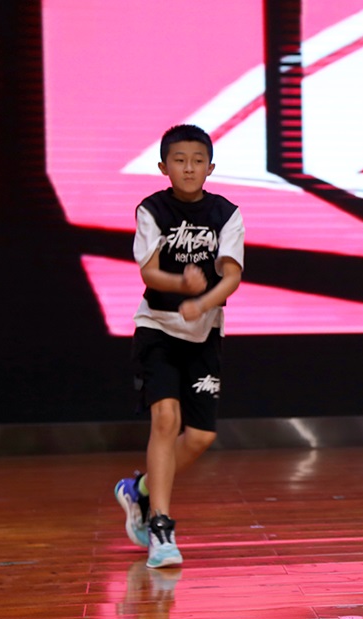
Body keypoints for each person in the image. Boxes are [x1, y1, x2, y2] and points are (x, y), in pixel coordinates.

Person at [114, 124, 245, 569]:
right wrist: (179, 284)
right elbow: (149, 272)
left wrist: (202, 302)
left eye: (197, 161)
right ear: (163, 167)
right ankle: (161, 525)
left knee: (201, 436)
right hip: (157, 329)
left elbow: (232, 275)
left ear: (211, 167)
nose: (189, 168)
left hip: (204, 333)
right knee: (166, 420)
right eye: (179, 160)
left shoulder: (226, 213)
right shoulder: (152, 209)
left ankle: (140, 489)